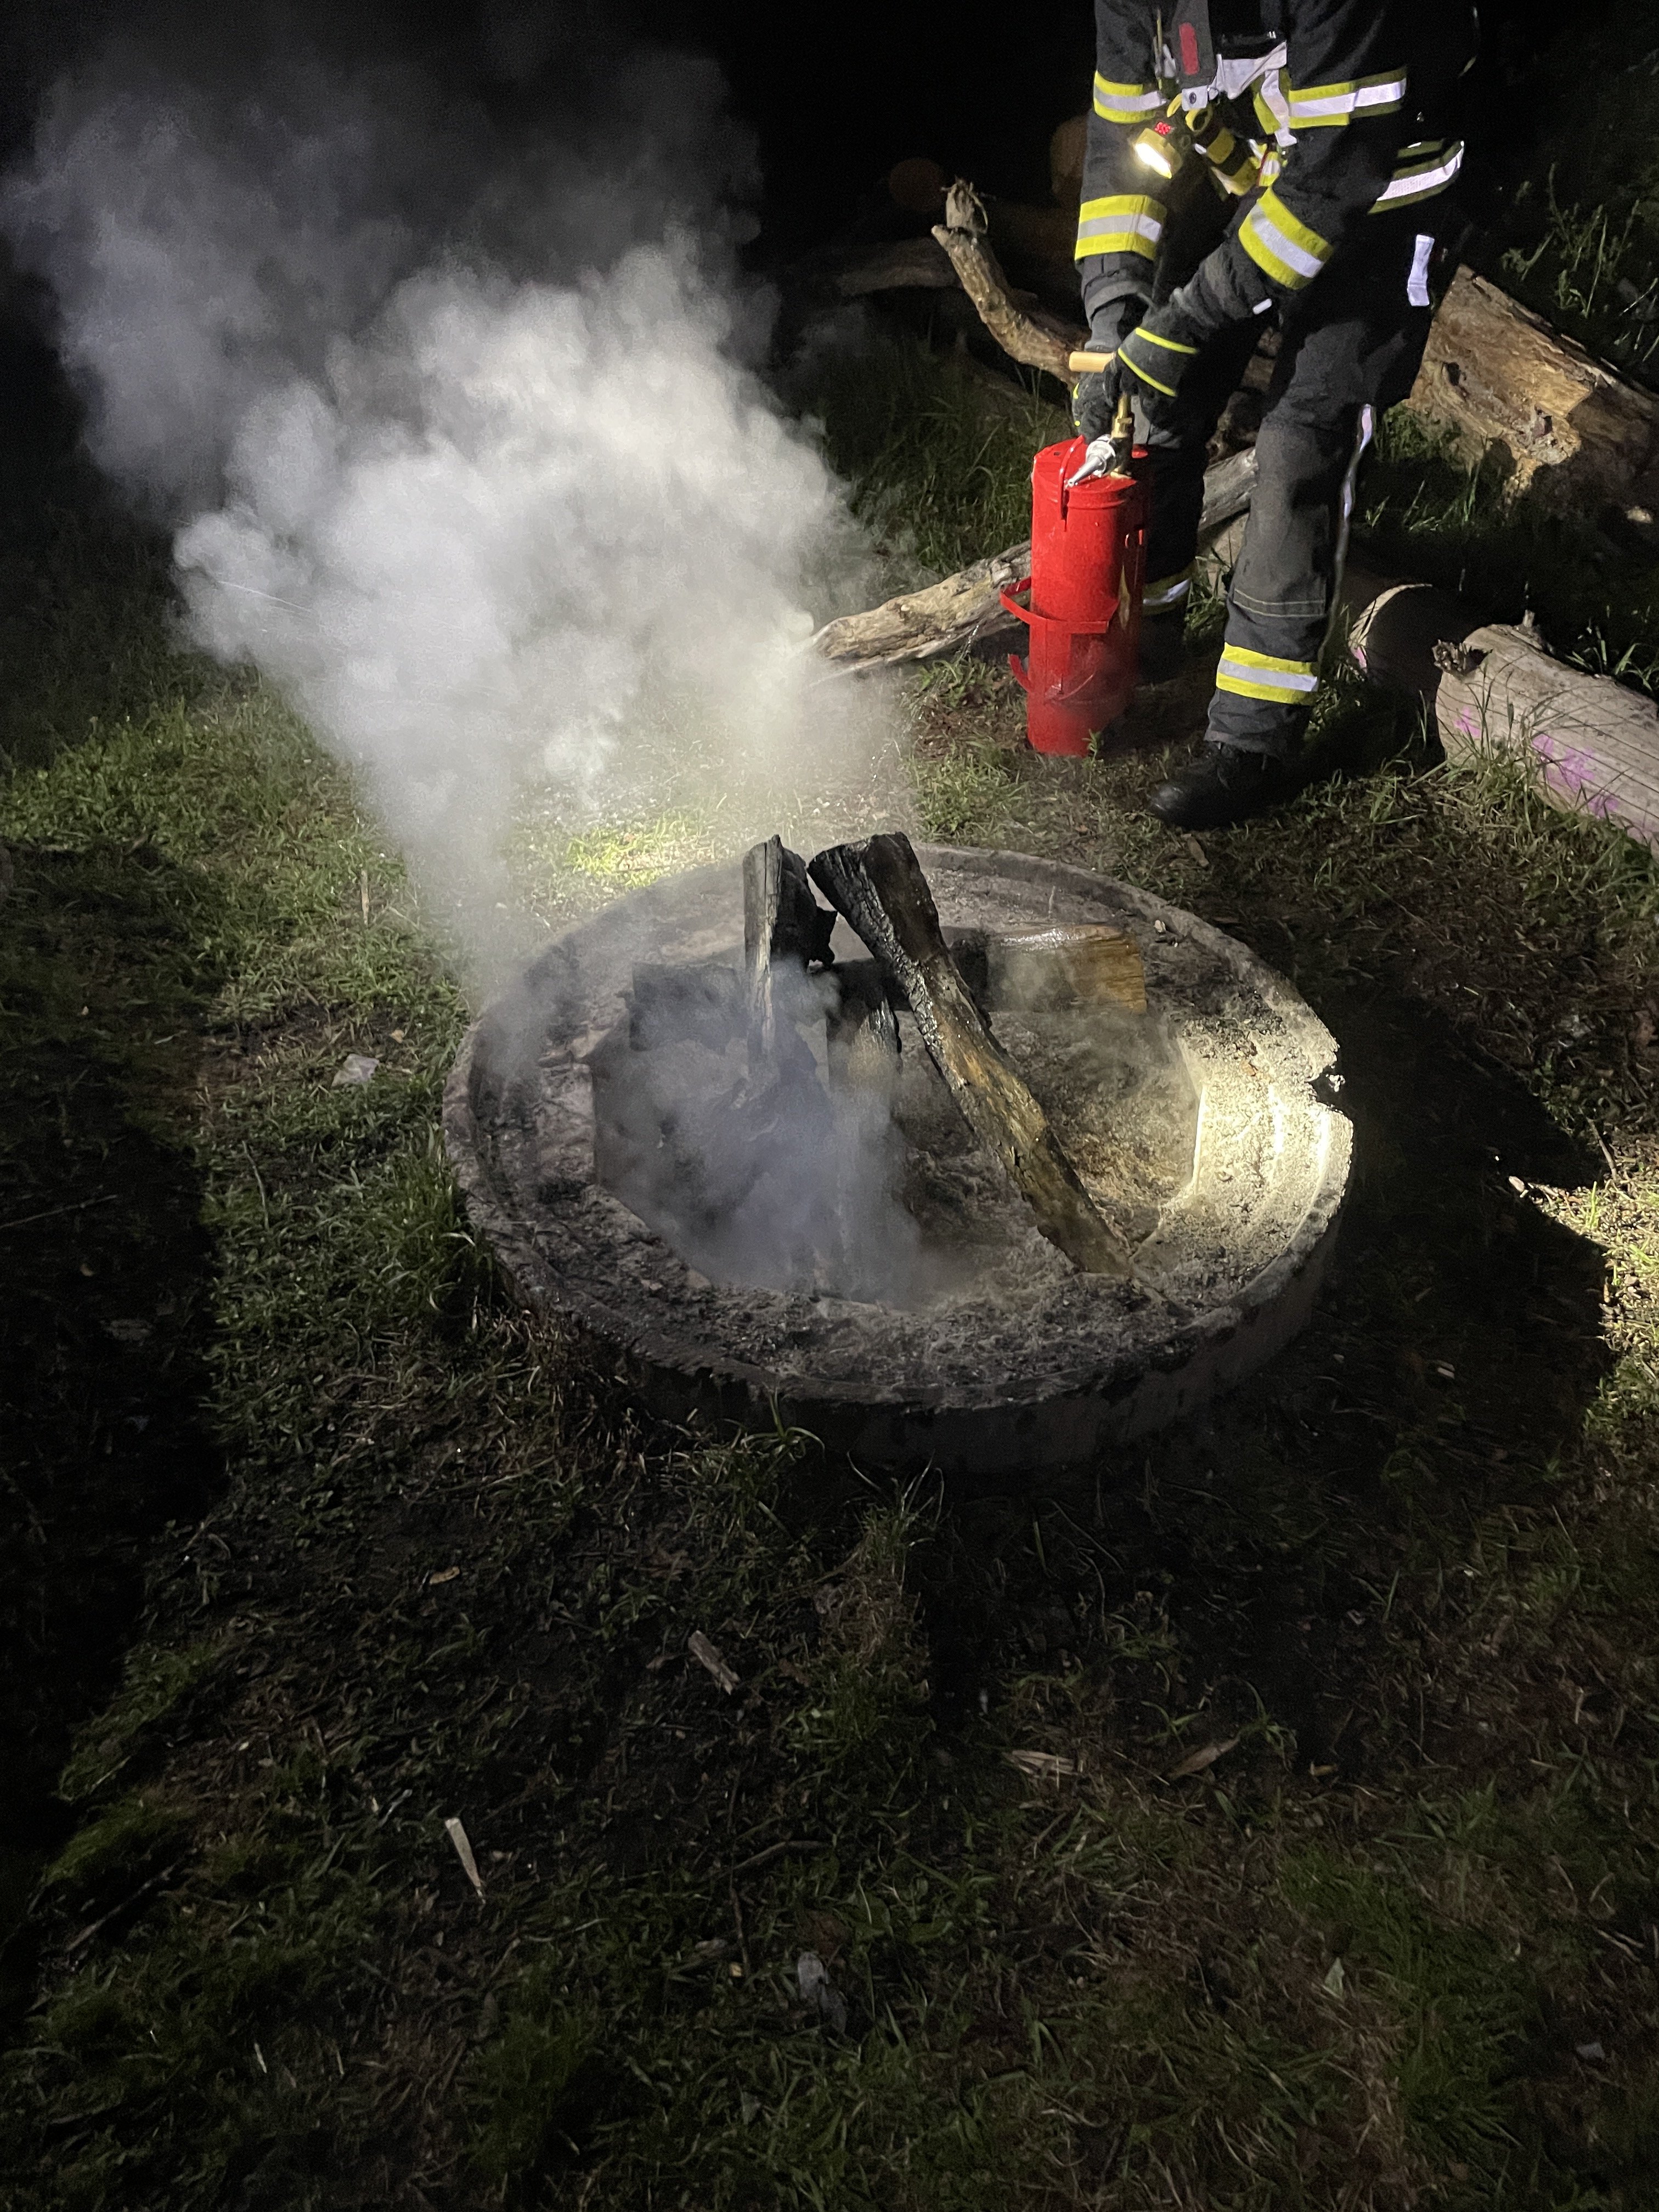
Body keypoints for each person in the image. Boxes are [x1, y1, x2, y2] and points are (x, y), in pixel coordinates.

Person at [1072, 0, 1478, 828]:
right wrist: (1118, 321)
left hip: (1382, 196)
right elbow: (1119, 149)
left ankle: (1252, 745)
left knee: (1299, 442)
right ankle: (1149, 636)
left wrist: (1180, 326)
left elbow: (1334, 179)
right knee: (1161, 395)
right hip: (1266, 182)